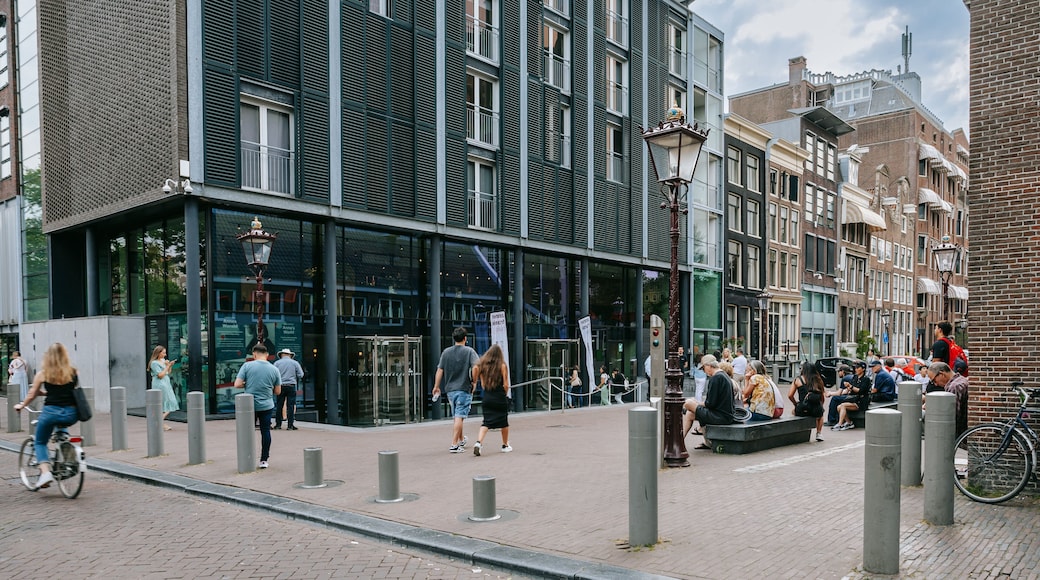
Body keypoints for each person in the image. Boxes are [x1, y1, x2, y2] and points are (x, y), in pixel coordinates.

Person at [13, 343, 80, 490]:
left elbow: (31, 394)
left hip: (51, 412)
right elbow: (67, 392)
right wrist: (46, 393)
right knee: (61, 430)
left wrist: (22, 405)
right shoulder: (73, 372)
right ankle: (67, 459)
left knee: (40, 442)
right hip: (71, 413)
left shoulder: (44, 373)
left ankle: (45, 474)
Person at [431, 327, 479, 453]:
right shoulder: (469, 351)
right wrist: (474, 381)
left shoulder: (446, 352)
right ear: (465, 338)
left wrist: (436, 386)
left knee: (458, 416)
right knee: (459, 415)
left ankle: (461, 439)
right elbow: (475, 368)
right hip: (463, 388)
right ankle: (454, 444)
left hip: (450, 390)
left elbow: (440, 370)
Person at [234, 344, 282, 469]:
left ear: (254, 354)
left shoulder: (247, 366)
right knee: (265, 431)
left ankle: (247, 458)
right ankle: (264, 460)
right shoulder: (274, 369)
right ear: (266, 355)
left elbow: (237, 384)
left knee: (247, 432)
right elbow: (278, 392)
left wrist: (247, 384)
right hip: (266, 405)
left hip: (249, 405)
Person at [681, 355, 737, 448]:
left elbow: (710, 404)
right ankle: (703, 442)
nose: (704, 371)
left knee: (688, 403)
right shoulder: (724, 376)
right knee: (690, 414)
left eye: (703, 368)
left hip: (719, 416)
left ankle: (680, 441)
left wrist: (696, 404)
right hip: (725, 415)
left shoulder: (716, 378)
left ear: (709, 366)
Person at [472, 344, 512, 456]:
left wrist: (475, 380)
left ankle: (478, 442)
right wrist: (504, 393)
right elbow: (505, 384)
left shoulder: (482, 365)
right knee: (504, 422)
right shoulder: (502, 365)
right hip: (499, 396)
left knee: (486, 422)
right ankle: (505, 445)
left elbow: (475, 368)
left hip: (488, 396)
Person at [925, 362, 969, 438]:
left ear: (942, 374)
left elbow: (951, 415)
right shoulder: (961, 380)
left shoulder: (954, 387)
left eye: (934, 380)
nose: (935, 384)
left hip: (959, 433)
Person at [790, 362, 826, 441]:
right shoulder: (818, 379)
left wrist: (796, 404)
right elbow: (822, 396)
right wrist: (820, 406)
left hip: (803, 408)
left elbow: (790, 395)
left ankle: (799, 431)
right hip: (815, 409)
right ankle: (818, 433)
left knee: (793, 412)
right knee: (820, 416)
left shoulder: (798, 379)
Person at [832, 361, 871, 431]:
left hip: (861, 401)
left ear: (863, 369)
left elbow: (860, 390)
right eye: (855, 368)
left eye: (858, 368)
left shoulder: (866, 379)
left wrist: (851, 386)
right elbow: (852, 389)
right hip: (854, 399)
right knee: (839, 407)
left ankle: (840, 424)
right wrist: (848, 387)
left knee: (843, 405)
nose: (856, 369)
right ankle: (849, 422)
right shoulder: (855, 377)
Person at [148, 345, 179, 431]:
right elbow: (160, 375)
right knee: (164, 402)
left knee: (171, 402)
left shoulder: (163, 361)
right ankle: (159, 422)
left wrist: (170, 365)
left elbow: (168, 372)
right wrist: (167, 366)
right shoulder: (154, 363)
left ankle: (159, 422)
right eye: (163, 353)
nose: (165, 355)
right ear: (158, 353)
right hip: (160, 384)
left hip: (166, 383)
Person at [273, 348, 304, 430]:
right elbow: (301, 374)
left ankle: (278, 425)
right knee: (290, 406)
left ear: (281, 355)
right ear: (290, 355)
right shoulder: (295, 363)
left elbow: (272, 375)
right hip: (291, 385)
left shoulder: (277, 363)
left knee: (279, 405)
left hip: (280, 386)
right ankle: (290, 425)